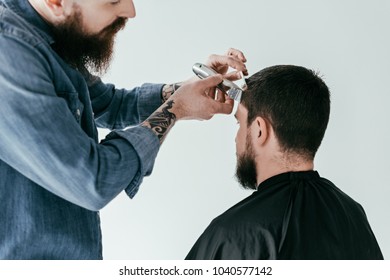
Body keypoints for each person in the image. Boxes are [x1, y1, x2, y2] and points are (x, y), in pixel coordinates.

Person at [0, 0, 248, 259]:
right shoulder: (9, 53)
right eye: (114, 1)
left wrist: (187, 88)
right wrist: (175, 109)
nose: (131, 11)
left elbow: (109, 104)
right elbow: (93, 180)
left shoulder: (50, 30)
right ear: (56, 2)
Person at [185, 65, 384, 260]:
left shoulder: (230, 234)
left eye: (240, 123)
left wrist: (177, 103)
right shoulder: (353, 216)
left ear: (260, 130)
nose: (236, 138)